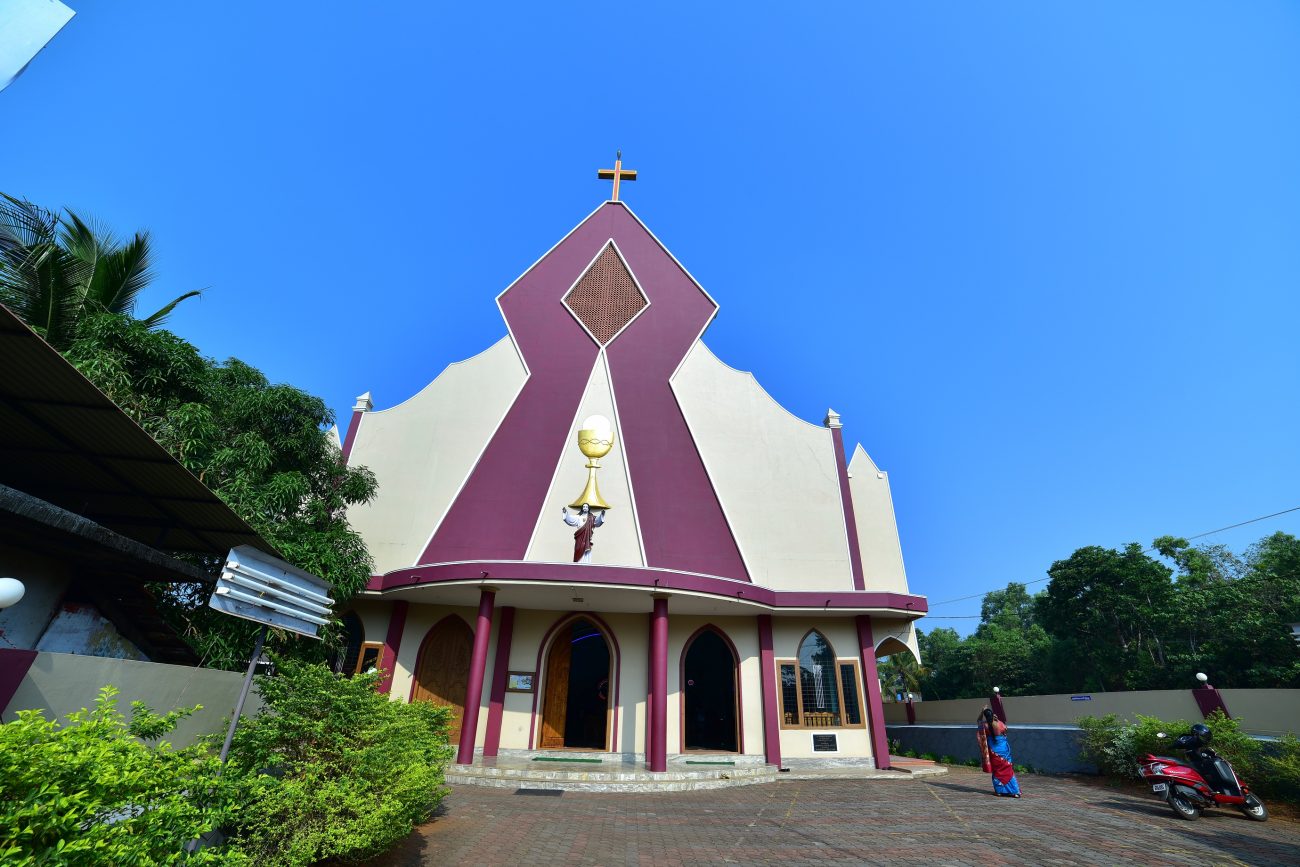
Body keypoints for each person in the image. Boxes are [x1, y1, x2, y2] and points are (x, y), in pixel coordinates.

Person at [976, 707, 1022, 797]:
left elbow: (978, 720)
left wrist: (982, 712)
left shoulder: (984, 725)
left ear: (985, 716)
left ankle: (999, 791)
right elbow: (1006, 729)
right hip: (1003, 749)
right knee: (1008, 769)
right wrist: (996, 719)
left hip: (993, 750)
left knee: (997, 771)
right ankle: (1015, 792)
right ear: (993, 715)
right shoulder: (999, 723)